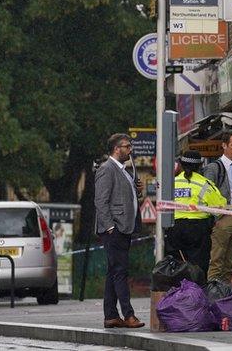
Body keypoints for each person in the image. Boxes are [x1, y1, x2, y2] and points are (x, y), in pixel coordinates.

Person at [94, 133, 145, 329]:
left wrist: (136, 191)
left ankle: (111, 316)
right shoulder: (107, 169)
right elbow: (101, 201)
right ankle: (129, 315)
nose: (130, 149)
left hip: (124, 227)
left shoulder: (124, 171)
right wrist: (110, 226)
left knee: (113, 272)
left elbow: (124, 198)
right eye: (127, 146)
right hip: (114, 229)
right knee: (120, 272)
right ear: (117, 149)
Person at [165, 151, 227, 273]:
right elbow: (220, 207)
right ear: (200, 166)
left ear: (181, 165)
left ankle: (178, 291)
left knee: (176, 266)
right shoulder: (204, 184)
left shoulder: (172, 183)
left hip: (174, 228)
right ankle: (195, 290)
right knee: (198, 266)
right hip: (198, 230)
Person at [203, 130, 232, 283]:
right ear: (224, 145)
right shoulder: (214, 168)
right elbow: (206, 194)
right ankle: (213, 292)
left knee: (230, 262)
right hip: (222, 219)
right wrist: (217, 216)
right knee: (217, 260)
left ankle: (225, 294)